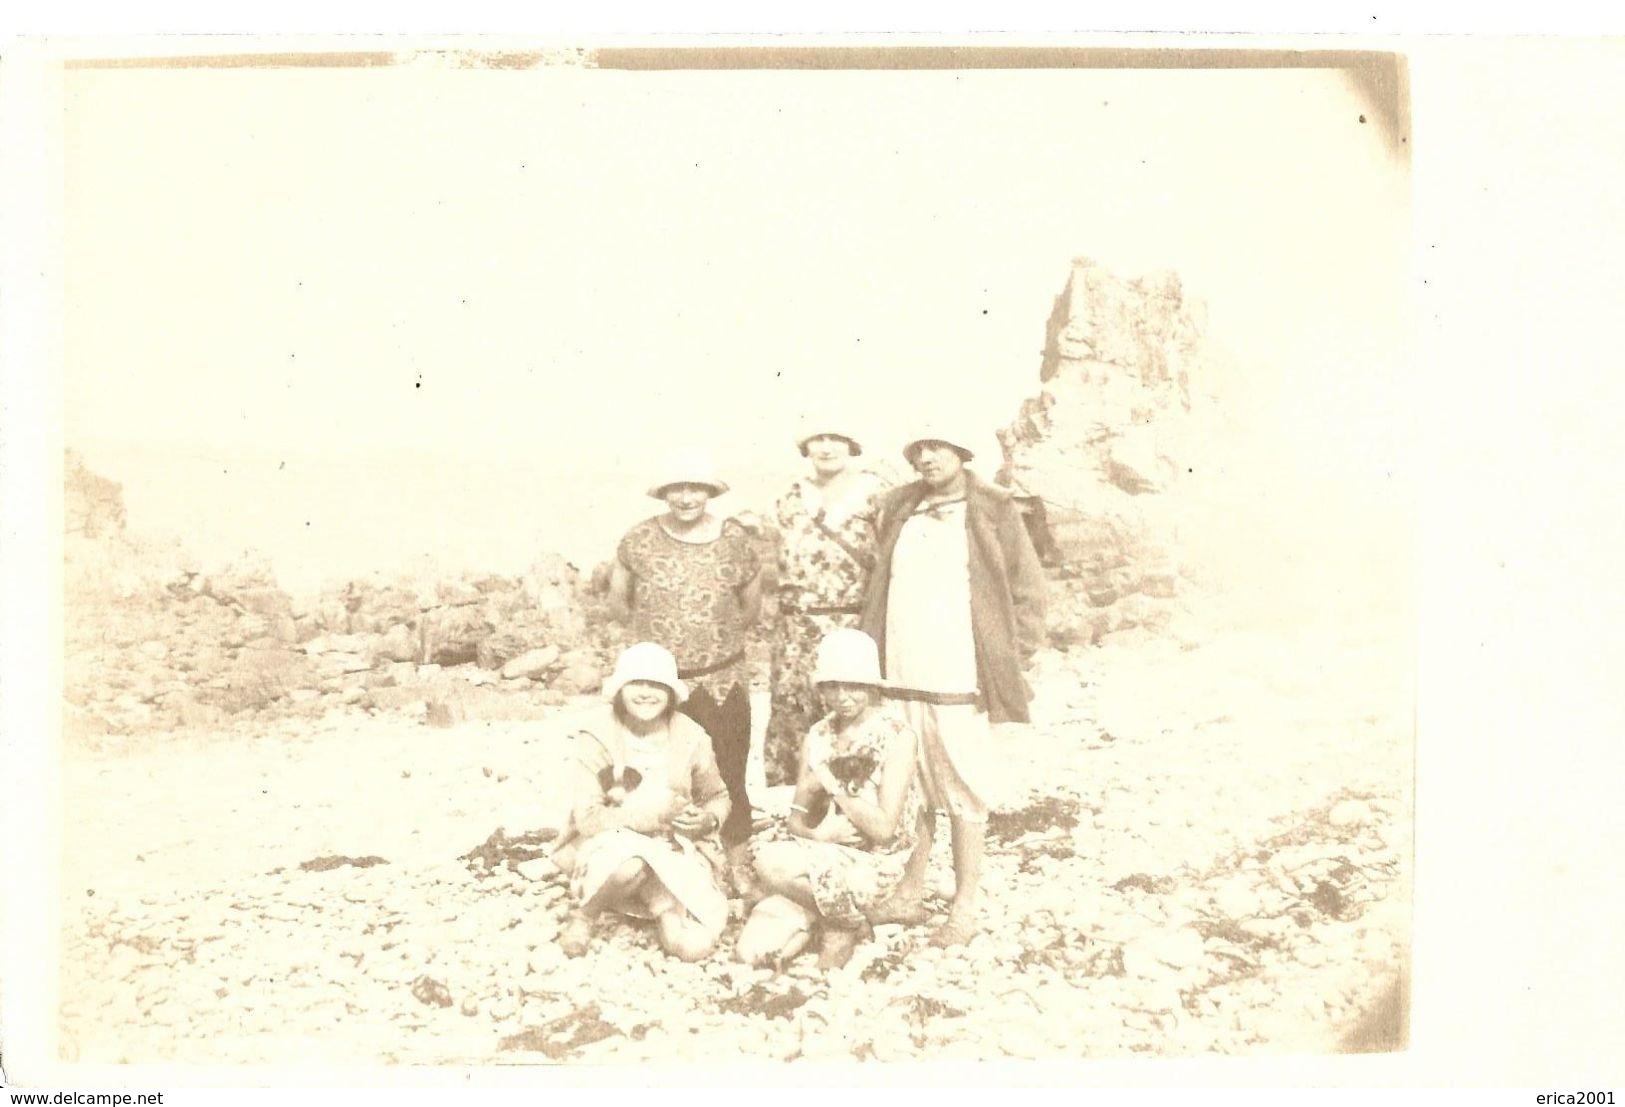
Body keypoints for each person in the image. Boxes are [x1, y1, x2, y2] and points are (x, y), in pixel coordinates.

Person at [859, 429, 1046, 947]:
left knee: (963, 783)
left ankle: (965, 904)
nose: (925, 457)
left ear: (962, 453)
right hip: (899, 666)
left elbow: (1028, 588)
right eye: (917, 449)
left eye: (936, 447)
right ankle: (912, 888)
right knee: (910, 780)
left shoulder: (994, 508)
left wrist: (1013, 656)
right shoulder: (901, 507)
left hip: (959, 670)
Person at [609, 450, 763, 886]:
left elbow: (750, 606)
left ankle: (737, 860)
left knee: (729, 771)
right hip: (659, 686)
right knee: (658, 772)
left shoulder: (735, 540)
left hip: (722, 679)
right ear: (663, 493)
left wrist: (711, 639)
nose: (686, 496)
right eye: (676, 487)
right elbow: (618, 603)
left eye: (695, 487)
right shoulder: (638, 540)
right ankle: (662, 863)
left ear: (710, 492)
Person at [740, 628, 921, 969]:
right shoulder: (819, 734)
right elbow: (796, 820)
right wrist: (819, 835)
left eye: (853, 686)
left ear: (872, 686)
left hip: (872, 862)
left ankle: (833, 922)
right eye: (833, 686)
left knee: (770, 865)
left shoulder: (897, 735)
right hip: (820, 850)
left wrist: (833, 784)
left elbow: (884, 830)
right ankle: (848, 922)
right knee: (748, 953)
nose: (843, 696)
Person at [552, 642, 733, 961]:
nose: (646, 693)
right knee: (630, 866)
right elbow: (589, 818)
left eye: (657, 685)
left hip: (672, 847)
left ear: (671, 692)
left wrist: (708, 820)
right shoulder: (597, 735)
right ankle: (587, 914)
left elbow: (717, 796)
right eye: (637, 683)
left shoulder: (691, 736)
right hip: (613, 843)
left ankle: (663, 909)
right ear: (620, 688)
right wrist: (656, 816)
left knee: (693, 948)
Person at [762, 424, 890, 787]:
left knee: (851, 715)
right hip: (794, 633)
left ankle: (857, 810)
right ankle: (796, 810)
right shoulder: (789, 497)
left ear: (851, 443)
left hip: (851, 626)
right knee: (792, 714)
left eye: (836, 438)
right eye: (817, 438)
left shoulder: (875, 494)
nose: (827, 446)